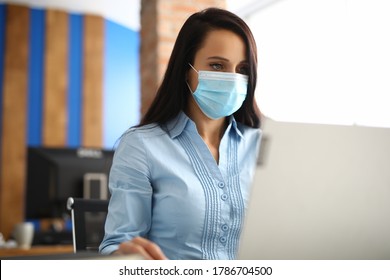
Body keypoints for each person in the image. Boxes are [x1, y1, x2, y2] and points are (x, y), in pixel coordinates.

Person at [99, 7, 262, 260]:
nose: (232, 79)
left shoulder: (261, 146)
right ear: (187, 69)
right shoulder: (141, 146)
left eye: (242, 70)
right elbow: (118, 246)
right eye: (217, 65)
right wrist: (123, 254)